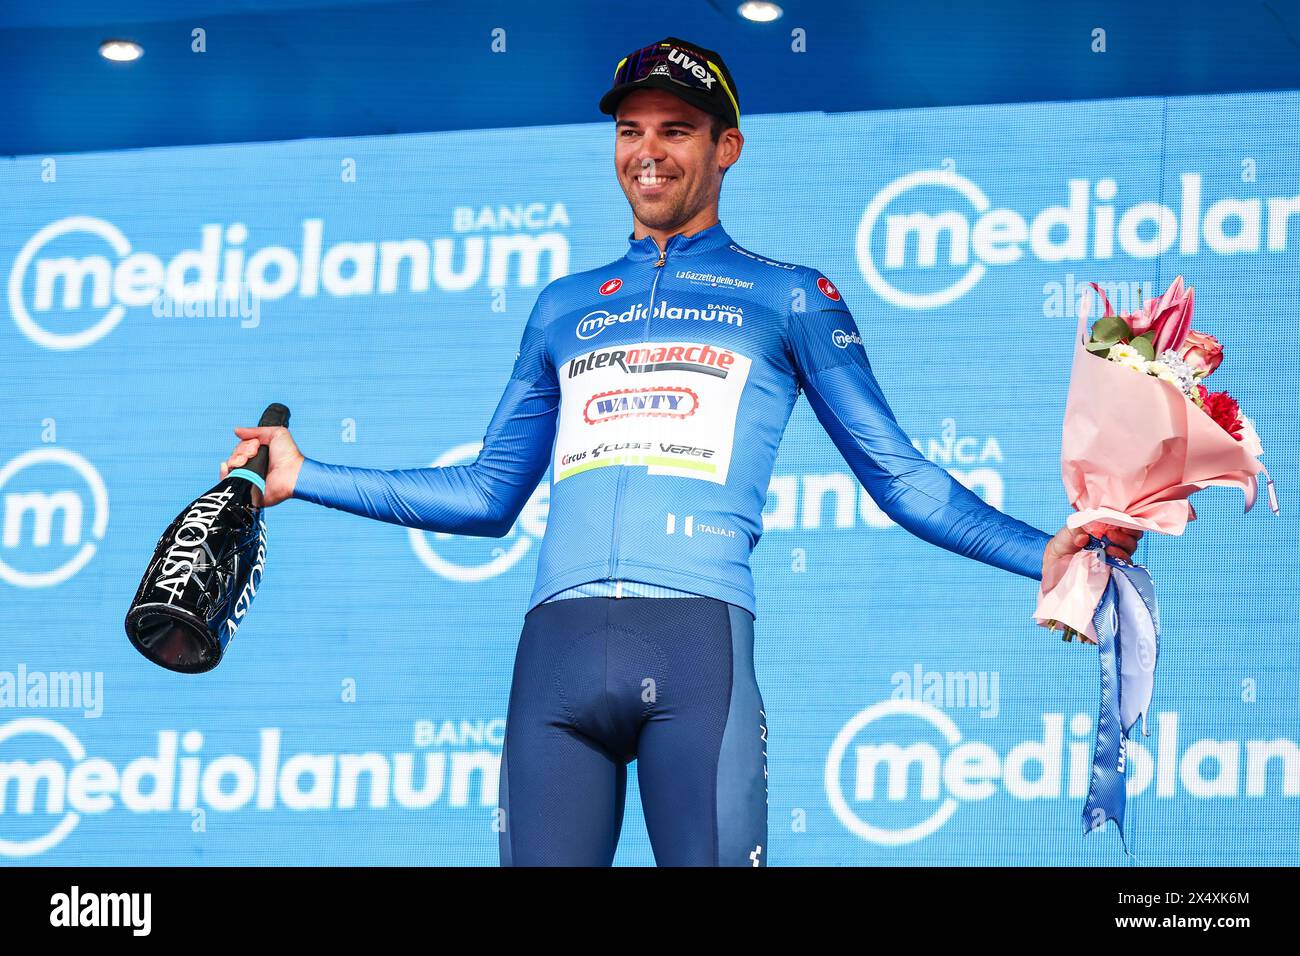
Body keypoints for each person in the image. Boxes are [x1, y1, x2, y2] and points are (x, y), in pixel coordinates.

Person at [220, 36, 1141, 866]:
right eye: (629, 130)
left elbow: (897, 476)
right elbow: (487, 494)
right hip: (555, 656)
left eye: (676, 129)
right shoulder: (563, 302)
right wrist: (305, 476)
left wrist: (1039, 551)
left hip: (698, 648)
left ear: (725, 147)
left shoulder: (789, 295)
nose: (647, 151)